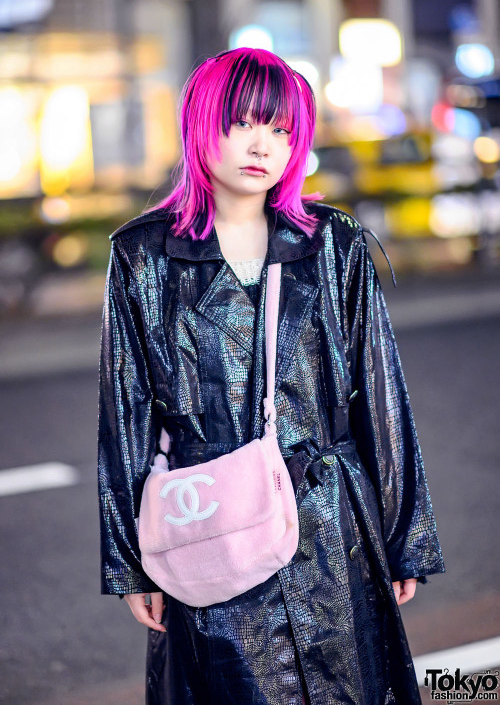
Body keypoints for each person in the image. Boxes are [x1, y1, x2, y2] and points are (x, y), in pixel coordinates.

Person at [97, 47, 445, 705]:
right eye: (244, 123)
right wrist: (131, 560)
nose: (264, 145)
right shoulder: (143, 254)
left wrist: (405, 538)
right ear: (203, 124)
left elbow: (381, 393)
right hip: (212, 522)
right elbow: (126, 413)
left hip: (332, 525)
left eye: (283, 130)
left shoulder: (331, 243)